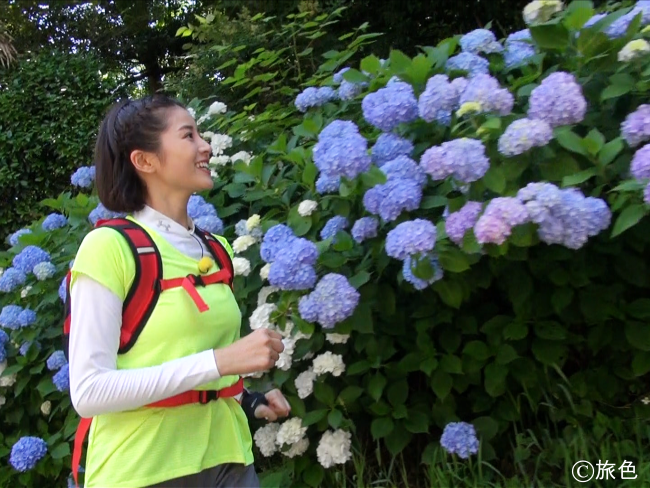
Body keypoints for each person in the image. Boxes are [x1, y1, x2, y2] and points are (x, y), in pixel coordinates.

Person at [67, 95, 289, 488]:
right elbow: (89, 392)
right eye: (188, 135)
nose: (205, 145)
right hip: (142, 470)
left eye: (200, 133)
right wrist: (220, 361)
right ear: (145, 161)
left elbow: (184, 360)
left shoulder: (215, 248)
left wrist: (246, 399)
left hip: (230, 462)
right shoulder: (109, 248)